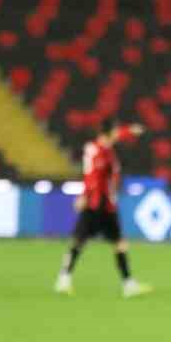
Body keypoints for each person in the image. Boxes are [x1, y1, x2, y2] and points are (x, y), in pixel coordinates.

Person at [55, 120, 149, 297]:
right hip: (98, 204)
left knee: (116, 243)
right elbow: (93, 177)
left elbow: (118, 135)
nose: (117, 135)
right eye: (115, 132)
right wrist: (85, 196)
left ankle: (127, 284)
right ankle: (64, 278)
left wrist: (130, 130)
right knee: (81, 241)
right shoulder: (100, 152)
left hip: (105, 204)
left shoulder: (100, 148)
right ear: (108, 133)